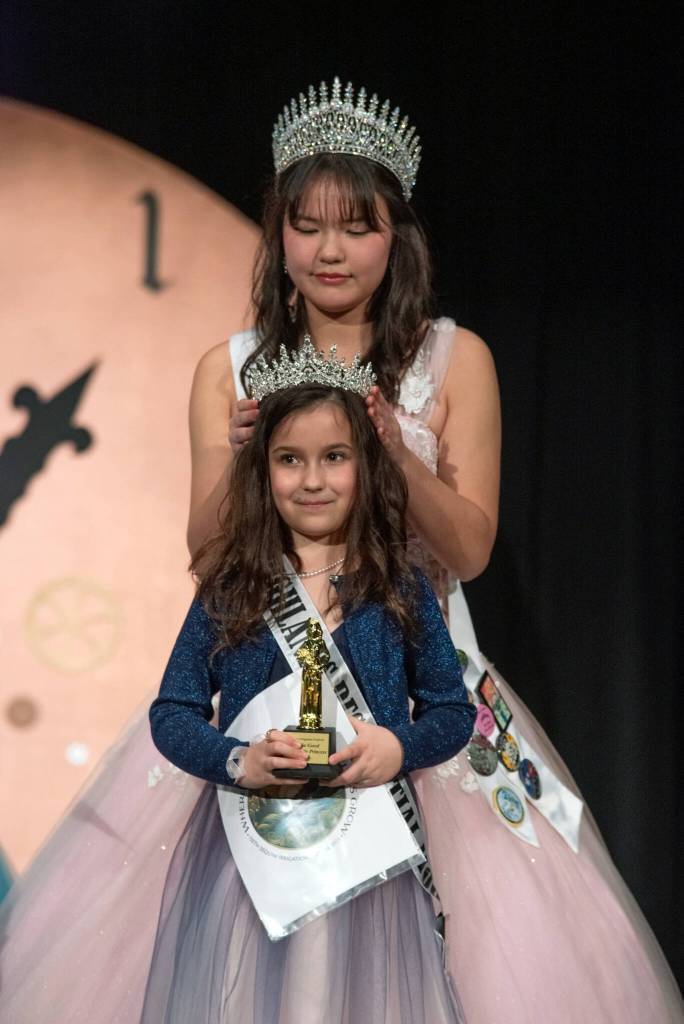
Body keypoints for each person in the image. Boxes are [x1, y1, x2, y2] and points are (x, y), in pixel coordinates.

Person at [186, 78, 684, 1021]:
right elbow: (206, 552)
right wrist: (249, 456)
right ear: (277, 232)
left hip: (424, 694)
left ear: (396, 235)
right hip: (275, 693)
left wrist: (388, 449)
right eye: (307, 224)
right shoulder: (232, 367)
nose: (330, 250)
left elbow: (474, 545)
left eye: (358, 225)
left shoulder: (456, 361)